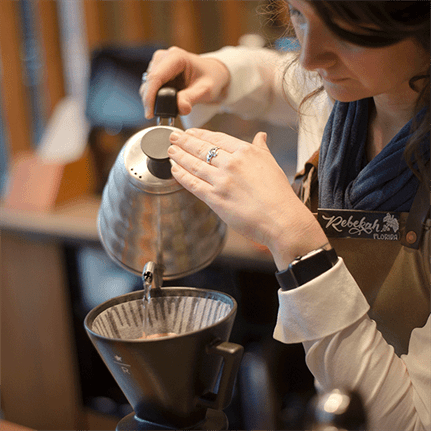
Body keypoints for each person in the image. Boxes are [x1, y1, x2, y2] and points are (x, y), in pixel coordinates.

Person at [140, 1, 430, 429]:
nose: (310, 56)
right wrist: (218, 71)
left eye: (345, 29)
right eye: (298, 14)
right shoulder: (339, 98)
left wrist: (294, 240)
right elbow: (279, 76)